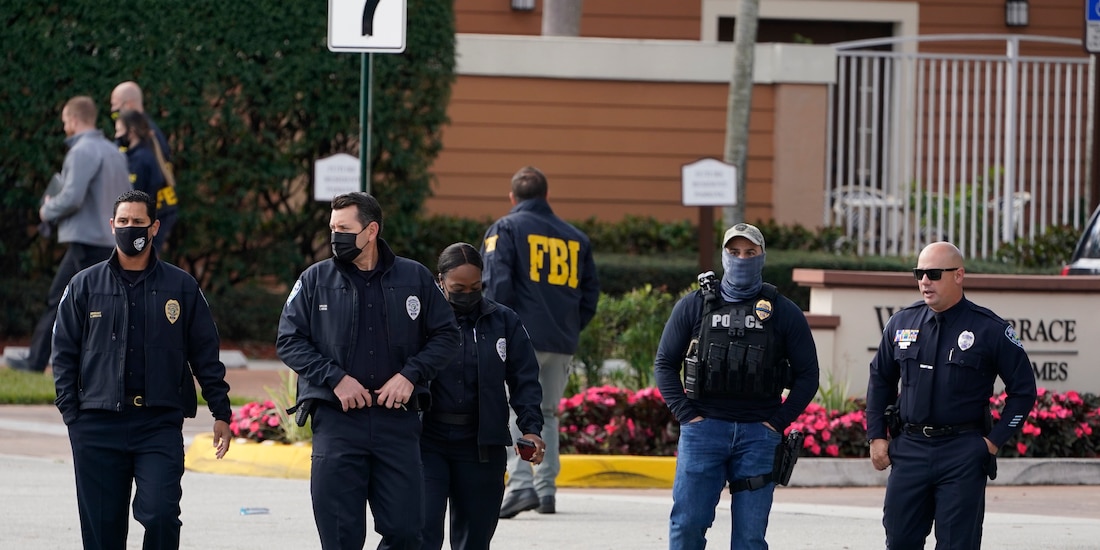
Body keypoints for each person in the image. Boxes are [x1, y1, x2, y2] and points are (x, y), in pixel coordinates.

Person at [277, 191, 460, 550]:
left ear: (371, 230)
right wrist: (336, 379)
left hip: (398, 424)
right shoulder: (315, 279)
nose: (335, 237)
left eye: (344, 228)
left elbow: (446, 335)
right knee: (340, 537)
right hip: (338, 422)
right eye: (332, 228)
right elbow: (289, 340)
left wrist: (411, 374)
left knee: (408, 532)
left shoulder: (415, 278)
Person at [51, 189, 233, 549]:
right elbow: (63, 353)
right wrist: (73, 414)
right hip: (96, 425)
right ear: (111, 225)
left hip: (158, 424)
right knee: (102, 533)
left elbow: (205, 353)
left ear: (154, 227)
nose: (129, 228)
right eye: (123, 222)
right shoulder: (84, 285)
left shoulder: (180, 287)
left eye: (138, 222)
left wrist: (221, 412)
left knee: (162, 514)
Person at [653, 222, 820, 550]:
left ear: (761, 257)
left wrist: (776, 424)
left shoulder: (783, 311)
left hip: (758, 438)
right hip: (703, 433)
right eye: (734, 252)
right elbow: (664, 364)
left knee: (749, 539)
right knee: (686, 527)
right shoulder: (695, 305)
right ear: (724, 256)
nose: (741, 259)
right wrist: (687, 415)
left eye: (750, 252)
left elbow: (808, 375)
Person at [866, 241, 1037, 549]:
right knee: (900, 539)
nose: (924, 281)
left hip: (962, 452)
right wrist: (877, 436)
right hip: (910, 450)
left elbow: (1023, 391)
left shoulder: (989, 329)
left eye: (933, 273)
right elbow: (880, 379)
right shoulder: (901, 323)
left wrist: (993, 441)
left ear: (959, 275)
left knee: (958, 544)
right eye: (919, 273)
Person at [480, 166, 599, 519]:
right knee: (546, 413)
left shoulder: (505, 228)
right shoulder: (575, 237)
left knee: (514, 409)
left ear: (513, 198)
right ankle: (546, 490)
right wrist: (571, 327)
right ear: (547, 197)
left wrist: (497, 331)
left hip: (520, 338)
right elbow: (590, 294)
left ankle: (521, 486)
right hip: (561, 340)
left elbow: (496, 287)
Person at [421, 242, 546, 550]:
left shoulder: (504, 321)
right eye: (458, 288)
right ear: (440, 282)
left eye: (476, 287)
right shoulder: (421, 320)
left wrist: (531, 427)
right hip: (425, 443)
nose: (468, 294)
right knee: (420, 534)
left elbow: (525, 380)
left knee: (475, 540)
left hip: (481, 446)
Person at [7, 96, 132, 373]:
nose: (65, 126)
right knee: (99, 304)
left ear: (74, 120)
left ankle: (38, 361)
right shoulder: (114, 152)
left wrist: (48, 211)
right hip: (112, 239)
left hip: (86, 240)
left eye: (65, 121)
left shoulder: (81, 151)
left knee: (65, 300)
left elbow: (73, 197)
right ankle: (53, 361)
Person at [116, 109, 180, 250]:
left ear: (131, 131)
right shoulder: (140, 154)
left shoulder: (141, 159)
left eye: (119, 130)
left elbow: (135, 195)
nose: (117, 136)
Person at [110, 80, 171, 160]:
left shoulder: (144, 135)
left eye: (115, 105)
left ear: (128, 105)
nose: (113, 110)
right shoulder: (151, 132)